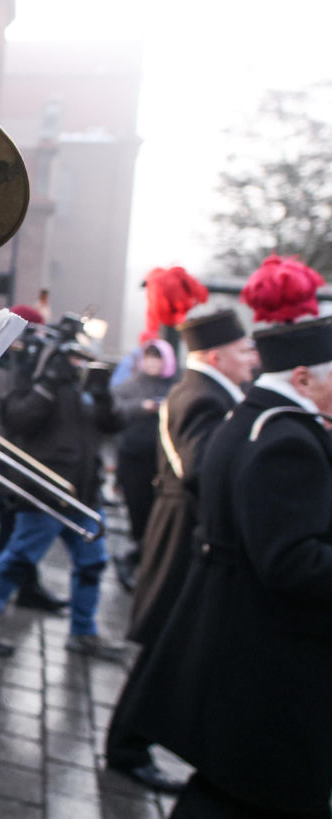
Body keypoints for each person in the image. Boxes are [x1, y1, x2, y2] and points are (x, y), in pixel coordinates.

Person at [121, 314, 332, 819]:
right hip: (267, 646)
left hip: (237, 629)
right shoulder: (281, 435)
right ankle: (125, 747)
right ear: (303, 379)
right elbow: (290, 560)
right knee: (261, 795)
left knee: (231, 792)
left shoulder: (255, 417)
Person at [105, 308, 256, 793]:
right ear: (215, 355)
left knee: (168, 645)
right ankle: (127, 749)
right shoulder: (203, 395)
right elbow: (199, 468)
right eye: (244, 350)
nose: (252, 358)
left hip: (184, 527)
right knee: (163, 645)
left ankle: (131, 744)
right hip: (184, 532)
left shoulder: (205, 390)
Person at [0, 327, 125, 659]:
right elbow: (18, 420)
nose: (79, 362)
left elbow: (113, 425)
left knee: (93, 563)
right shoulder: (32, 379)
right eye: (74, 357)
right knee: (19, 559)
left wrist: (103, 394)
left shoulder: (83, 387)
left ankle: (83, 631)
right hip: (46, 491)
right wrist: (48, 382)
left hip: (84, 491)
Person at [110, 338, 177, 591]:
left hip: (161, 462)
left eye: (157, 359)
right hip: (134, 460)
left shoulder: (175, 386)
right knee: (139, 514)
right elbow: (115, 410)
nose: (152, 363)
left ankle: (140, 562)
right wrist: (142, 407)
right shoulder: (131, 384)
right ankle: (134, 559)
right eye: (149, 358)